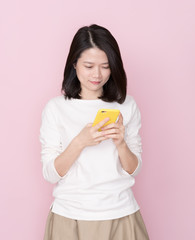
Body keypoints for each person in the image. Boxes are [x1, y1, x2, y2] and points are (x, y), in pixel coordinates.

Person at [40, 24, 150, 240]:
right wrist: (80, 142)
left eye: (105, 66)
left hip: (121, 213)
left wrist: (120, 144)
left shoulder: (126, 105)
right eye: (89, 66)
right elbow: (50, 173)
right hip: (70, 216)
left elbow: (133, 169)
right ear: (74, 64)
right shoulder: (56, 108)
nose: (97, 75)